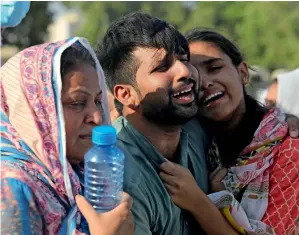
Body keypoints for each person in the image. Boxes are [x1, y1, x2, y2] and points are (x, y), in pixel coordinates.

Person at [98, 12, 240, 235]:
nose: (185, 71)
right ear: (126, 94)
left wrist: (285, 122)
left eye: (183, 59)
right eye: (162, 68)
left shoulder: (194, 127)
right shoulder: (120, 178)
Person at [159, 29, 299, 234]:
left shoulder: (289, 150)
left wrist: (200, 203)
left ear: (242, 72)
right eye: (192, 79)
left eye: (214, 68)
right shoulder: (194, 150)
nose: (205, 84)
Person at [0, 37, 133, 235]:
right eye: (77, 103)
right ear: (37, 111)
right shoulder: (13, 187)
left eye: (98, 101)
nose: (97, 117)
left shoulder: (76, 174)